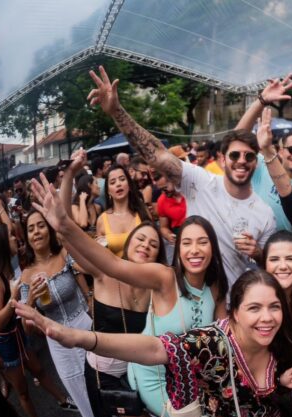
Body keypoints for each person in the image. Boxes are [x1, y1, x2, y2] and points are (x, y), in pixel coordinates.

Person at [15, 270, 292, 417]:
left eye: (274, 307)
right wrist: (79, 338)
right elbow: (155, 348)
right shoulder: (211, 343)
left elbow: (273, 375)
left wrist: (283, 378)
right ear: (234, 313)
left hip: (264, 414)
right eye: (254, 308)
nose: (267, 318)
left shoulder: (277, 337)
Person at [29, 171, 234, 417]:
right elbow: (109, 263)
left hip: (177, 370)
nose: (194, 249)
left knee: (203, 408)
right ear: (177, 251)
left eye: (203, 242)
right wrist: (63, 224)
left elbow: (220, 331)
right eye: (187, 242)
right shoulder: (162, 278)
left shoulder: (211, 287)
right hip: (140, 372)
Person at [58, 150, 191, 417]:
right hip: (105, 374)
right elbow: (64, 229)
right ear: (126, 246)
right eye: (139, 240)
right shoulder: (105, 275)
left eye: (153, 244)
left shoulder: (157, 288)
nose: (146, 244)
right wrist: (71, 175)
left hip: (142, 372)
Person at [87, 66, 277, 285]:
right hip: (190, 297)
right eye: (235, 155)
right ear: (223, 159)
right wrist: (116, 111)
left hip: (234, 306)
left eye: (249, 156)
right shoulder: (200, 181)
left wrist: (258, 253)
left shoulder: (264, 214)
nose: (242, 161)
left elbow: (271, 267)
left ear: (256, 161)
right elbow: (157, 154)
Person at [19, 211, 122, 417]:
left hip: (83, 325)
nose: (36, 232)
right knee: (78, 389)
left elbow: (88, 275)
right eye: (31, 228)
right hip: (56, 339)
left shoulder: (64, 255)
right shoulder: (25, 276)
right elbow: (27, 328)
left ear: (48, 230)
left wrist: (90, 305)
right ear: (27, 237)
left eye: (41, 226)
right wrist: (31, 299)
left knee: (106, 375)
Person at [0, 223, 74, 417]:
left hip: (18, 333)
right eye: (13, 238)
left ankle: (64, 400)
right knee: (23, 390)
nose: (18, 240)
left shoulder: (12, 266)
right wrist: (14, 297)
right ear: (4, 245)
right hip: (5, 342)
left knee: (39, 369)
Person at [96, 164, 149, 257]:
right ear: (108, 191)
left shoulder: (142, 212)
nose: (118, 184)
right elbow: (100, 258)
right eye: (113, 182)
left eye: (122, 179)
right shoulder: (102, 220)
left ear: (129, 184)